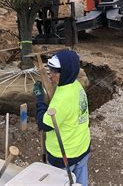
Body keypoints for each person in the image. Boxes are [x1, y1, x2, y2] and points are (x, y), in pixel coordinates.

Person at [33, 51, 90, 186]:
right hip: (81, 147)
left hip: (64, 155)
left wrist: (39, 99)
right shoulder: (76, 85)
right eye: (50, 70)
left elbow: (44, 124)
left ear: (66, 72)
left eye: (55, 72)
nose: (51, 75)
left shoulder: (62, 99)